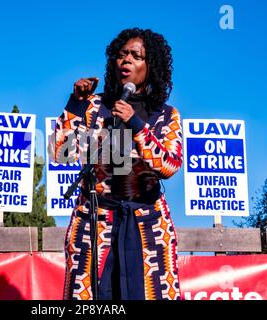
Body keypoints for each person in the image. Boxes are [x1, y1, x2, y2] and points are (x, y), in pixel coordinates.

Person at [49, 28, 183, 300]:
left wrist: (136, 124)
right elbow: (60, 152)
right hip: (93, 223)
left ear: (150, 65)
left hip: (148, 226)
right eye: (122, 55)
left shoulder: (165, 114)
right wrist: (74, 104)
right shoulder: (93, 106)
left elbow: (169, 164)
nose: (127, 60)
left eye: (136, 56)